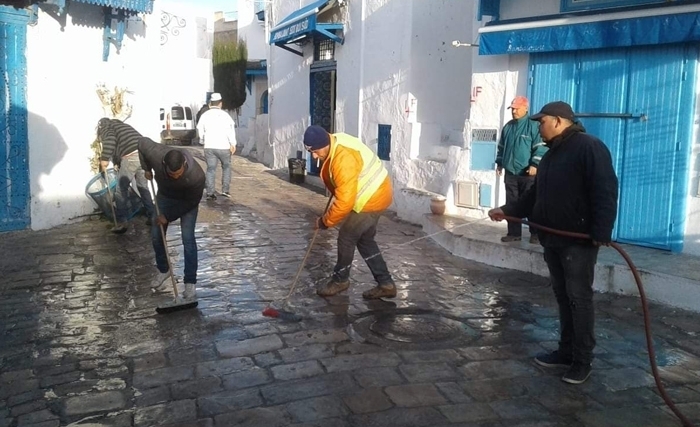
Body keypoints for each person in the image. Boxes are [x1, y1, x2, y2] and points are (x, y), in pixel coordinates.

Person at [488, 101, 618, 385]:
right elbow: (534, 197)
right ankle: (566, 351)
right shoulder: (550, 156)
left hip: (578, 242)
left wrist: (601, 230)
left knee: (578, 298)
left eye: (542, 121)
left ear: (558, 121)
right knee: (563, 297)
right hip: (553, 239)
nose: (538, 127)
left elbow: (605, 189)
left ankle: (583, 360)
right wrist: (507, 210)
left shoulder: (589, 147)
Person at [303, 125, 396, 300]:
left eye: (316, 151)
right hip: (376, 192)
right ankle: (386, 284)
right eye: (310, 152)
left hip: (371, 197)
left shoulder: (343, 158)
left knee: (347, 236)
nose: (314, 156)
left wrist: (324, 222)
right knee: (365, 240)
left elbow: (345, 201)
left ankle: (340, 280)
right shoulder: (334, 143)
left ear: (325, 143)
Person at [138, 137, 205, 300]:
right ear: (164, 166)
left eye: (178, 174)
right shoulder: (156, 154)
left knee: (187, 239)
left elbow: (192, 202)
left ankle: (190, 282)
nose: (175, 177)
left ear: (184, 165)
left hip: (187, 201)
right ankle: (164, 269)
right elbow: (141, 142)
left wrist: (167, 216)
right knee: (156, 234)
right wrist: (146, 168)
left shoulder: (197, 176)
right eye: (171, 174)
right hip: (165, 196)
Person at [495, 96, 548, 244]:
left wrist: (535, 165)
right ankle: (513, 233)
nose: (514, 111)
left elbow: (540, 147)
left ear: (525, 108)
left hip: (527, 174)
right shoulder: (508, 127)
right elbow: (501, 147)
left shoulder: (533, 126)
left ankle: (535, 234)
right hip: (511, 173)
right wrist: (500, 163)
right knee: (511, 204)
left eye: (517, 108)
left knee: (531, 204)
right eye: (512, 109)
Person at [96, 118, 155, 227]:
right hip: (144, 155)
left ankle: (122, 221)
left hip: (131, 157)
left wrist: (104, 159)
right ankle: (152, 215)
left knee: (120, 189)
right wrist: (117, 162)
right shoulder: (124, 127)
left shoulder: (106, 127)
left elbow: (110, 140)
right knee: (143, 186)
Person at [196, 92, 237, 200]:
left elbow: (200, 129)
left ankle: (210, 193)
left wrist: (202, 139)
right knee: (226, 167)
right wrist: (233, 143)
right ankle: (225, 191)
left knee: (211, 169)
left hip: (209, 146)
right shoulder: (225, 115)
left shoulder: (205, 115)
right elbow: (230, 130)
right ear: (220, 103)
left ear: (211, 103)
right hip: (224, 146)